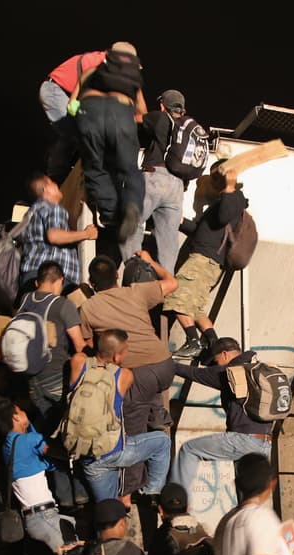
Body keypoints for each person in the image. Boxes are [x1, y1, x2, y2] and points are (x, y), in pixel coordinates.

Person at [78, 252, 179, 496]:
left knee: (130, 434)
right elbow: (173, 283)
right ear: (117, 275)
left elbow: (90, 345)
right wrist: (150, 259)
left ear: (92, 284)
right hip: (165, 365)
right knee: (148, 399)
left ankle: (131, 490)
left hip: (137, 374)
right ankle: (157, 417)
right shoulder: (136, 291)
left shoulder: (88, 308)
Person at [65, 329, 171, 504]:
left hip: (87, 457)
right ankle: (152, 491)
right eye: (125, 351)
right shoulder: (124, 376)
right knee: (162, 442)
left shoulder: (77, 363)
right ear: (116, 357)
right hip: (114, 452)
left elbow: (84, 353)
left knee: (108, 510)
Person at [20, 261, 89, 508]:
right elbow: (79, 344)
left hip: (31, 381)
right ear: (59, 281)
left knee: (49, 436)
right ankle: (81, 490)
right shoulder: (62, 305)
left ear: (39, 282)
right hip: (57, 378)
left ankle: (64, 495)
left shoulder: (25, 301)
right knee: (73, 432)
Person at [0, 395, 79, 555]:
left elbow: (40, 464)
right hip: (45, 516)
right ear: (15, 417)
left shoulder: (8, 447)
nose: (25, 413)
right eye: (21, 411)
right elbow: (63, 454)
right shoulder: (29, 441)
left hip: (34, 519)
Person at [169, 337, 273, 491]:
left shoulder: (228, 372)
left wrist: (165, 363)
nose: (215, 366)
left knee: (190, 449)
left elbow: (192, 372)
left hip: (243, 439)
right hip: (265, 444)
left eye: (216, 361)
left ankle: (178, 502)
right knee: (250, 495)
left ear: (224, 354)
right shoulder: (257, 369)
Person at [167, 162, 247, 360]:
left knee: (176, 298)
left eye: (216, 176)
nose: (213, 181)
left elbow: (223, 216)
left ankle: (193, 341)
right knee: (195, 308)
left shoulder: (234, 198)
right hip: (208, 261)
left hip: (203, 261)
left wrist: (229, 186)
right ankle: (213, 343)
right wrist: (182, 223)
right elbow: (202, 232)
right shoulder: (222, 202)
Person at [72, 42, 148, 245]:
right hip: (121, 111)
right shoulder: (132, 80)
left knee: (96, 169)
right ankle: (132, 205)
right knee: (129, 169)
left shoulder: (89, 72)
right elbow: (143, 113)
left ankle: (110, 215)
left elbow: (71, 106)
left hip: (89, 111)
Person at [118, 88, 194, 273]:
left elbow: (138, 118)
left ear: (162, 106)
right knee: (169, 241)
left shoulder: (160, 118)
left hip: (156, 177)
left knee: (131, 223)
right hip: (177, 187)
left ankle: (133, 270)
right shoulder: (186, 128)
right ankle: (166, 281)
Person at [17, 172, 99, 297]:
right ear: (46, 189)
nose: (56, 185)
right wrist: (86, 234)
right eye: (52, 183)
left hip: (30, 276)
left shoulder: (29, 215)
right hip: (51, 278)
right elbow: (54, 236)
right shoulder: (52, 207)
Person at [39, 48, 109, 184]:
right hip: (56, 91)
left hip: (61, 92)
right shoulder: (97, 62)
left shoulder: (101, 64)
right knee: (75, 133)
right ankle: (57, 177)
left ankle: (60, 173)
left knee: (74, 134)